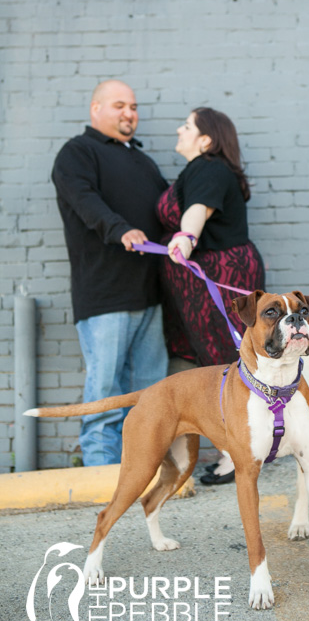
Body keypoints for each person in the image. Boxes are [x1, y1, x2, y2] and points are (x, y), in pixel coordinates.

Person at [52, 80, 169, 466]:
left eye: (133, 107)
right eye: (119, 105)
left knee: (151, 392)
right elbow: (85, 201)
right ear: (95, 109)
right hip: (105, 297)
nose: (129, 114)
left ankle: (145, 468)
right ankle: (101, 472)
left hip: (149, 296)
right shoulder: (77, 153)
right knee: (105, 392)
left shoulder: (142, 160)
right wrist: (120, 230)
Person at [157, 107, 265, 484]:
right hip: (203, 279)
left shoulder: (209, 168)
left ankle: (239, 453)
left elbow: (197, 212)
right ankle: (233, 447)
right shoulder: (199, 169)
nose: (178, 129)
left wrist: (186, 238)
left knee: (223, 359)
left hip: (220, 275)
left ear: (206, 139)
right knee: (210, 358)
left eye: (186, 126)